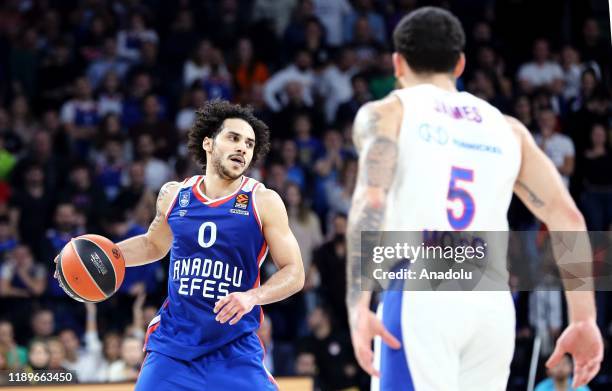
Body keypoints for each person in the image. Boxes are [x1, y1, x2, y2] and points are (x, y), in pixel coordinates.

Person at [345, 7, 603, 391]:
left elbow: (371, 200)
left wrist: (357, 305)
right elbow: (568, 217)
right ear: (461, 63)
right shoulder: (508, 128)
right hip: (491, 300)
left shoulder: (387, 113)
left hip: (421, 285)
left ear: (398, 63)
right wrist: (584, 319)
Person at [56, 100, 304, 389]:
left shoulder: (263, 201)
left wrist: (252, 297)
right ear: (208, 143)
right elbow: (153, 246)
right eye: (233, 138)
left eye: (249, 144)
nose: (242, 148)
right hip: (173, 348)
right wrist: (96, 258)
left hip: (233, 349)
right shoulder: (174, 195)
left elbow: (295, 273)